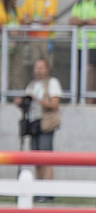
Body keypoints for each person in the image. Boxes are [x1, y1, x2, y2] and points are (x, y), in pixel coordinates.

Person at [15, 58, 62, 200]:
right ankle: (38, 190)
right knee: (36, 159)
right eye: (36, 67)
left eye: (41, 67)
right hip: (33, 123)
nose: (38, 70)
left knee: (46, 158)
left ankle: (47, 192)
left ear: (47, 69)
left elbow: (54, 104)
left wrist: (37, 100)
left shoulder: (52, 83)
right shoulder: (31, 85)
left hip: (46, 124)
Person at [19, 0, 58, 66]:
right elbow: (24, 16)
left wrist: (32, 20)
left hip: (46, 37)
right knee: (35, 63)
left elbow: (49, 18)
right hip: (33, 36)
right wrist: (33, 20)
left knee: (47, 63)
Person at [0, 0, 24, 98]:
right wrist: (8, 32)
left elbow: (22, 23)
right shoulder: (1, 8)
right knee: (3, 69)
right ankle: (2, 94)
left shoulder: (17, 9)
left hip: (16, 43)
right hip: (3, 43)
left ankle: (16, 95)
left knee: (16, 70)